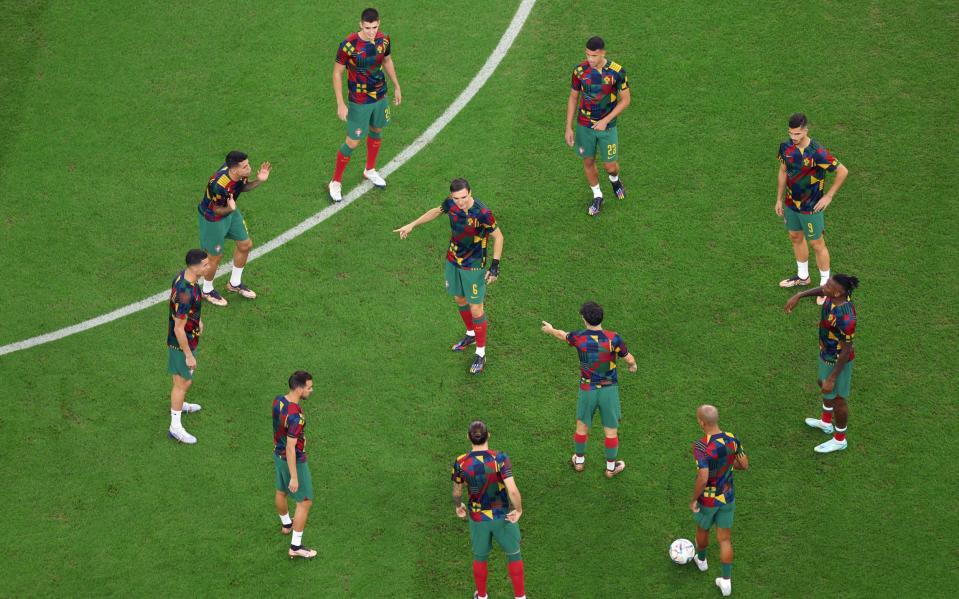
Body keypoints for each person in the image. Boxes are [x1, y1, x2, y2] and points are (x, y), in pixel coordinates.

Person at [394, 178, 504, 374]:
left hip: (474, 265)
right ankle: (470, 334)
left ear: (470, 192)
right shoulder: (451, 204)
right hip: (453, 259)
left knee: (476, 309)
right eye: (456, 198)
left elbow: (498, 237)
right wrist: (412, 224)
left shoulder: (483, 213)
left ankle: (481, 352)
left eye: (463, 197)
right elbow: (437, 211)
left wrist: (494, 266)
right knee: (459, 298)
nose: (460, 202)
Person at [541, 301, 637, 478]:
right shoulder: (613, 338)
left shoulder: (579, 337)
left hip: (588, 389)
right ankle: (610, 468)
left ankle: (579, 462)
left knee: (582, 426)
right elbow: (629, 358)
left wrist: (550, 329)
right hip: (609, 390)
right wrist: (632, 366)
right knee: (610, 430)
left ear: (584, 319)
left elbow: (562, 335)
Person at [328, 7, 402, 202]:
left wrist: (396, 86)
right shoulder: (348, 45)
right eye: (368, 27)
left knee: (377, 130)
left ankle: (369, 169)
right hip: (359, 100)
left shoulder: (384, 39)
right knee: (353, 141)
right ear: (361, 24)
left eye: (375, 27)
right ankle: (335, 181)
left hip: (380, 95)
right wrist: (340, 103)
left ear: (379, 24)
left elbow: (387, 60)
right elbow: (337, 73)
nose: (372, 31)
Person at [775, 113, 849, 305]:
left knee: (817, 244)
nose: (794, 137)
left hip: (811, 207)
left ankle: (827, 286)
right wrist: (779, 199)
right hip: (792, 205)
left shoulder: (817, 152)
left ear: (806, 130)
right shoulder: (786, 147)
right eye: (791, 133)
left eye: (798, 133)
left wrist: (829, 195)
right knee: (795, 237)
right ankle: (803, 276)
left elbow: (842, 171)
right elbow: (783, 171)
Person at [784, 273, 859, 453]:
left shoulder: (846, 318)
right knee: (822, 383)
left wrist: (833, 377)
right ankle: (826, 422)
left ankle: (840, 439)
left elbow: (847, 349)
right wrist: (799, 295)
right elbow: (823, 290)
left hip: (838, 359)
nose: (824, 287)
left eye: (828, 286)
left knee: (839, 400)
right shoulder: (836, 295)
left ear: (838, 293)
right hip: (826, 352)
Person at [451, 421, 526, 599]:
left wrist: (458, 505)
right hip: (503, 516)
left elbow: (457, 491)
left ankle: (482, 596)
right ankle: (520, 597)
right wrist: (519, 509)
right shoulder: (500, 458)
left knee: (480, 558)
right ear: (488, 435)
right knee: (514, 555)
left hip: (478, 519)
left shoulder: (461, 463)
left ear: (468, 437)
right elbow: (513, 490)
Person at [565, 36, 631, 216]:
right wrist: (568, 127)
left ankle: (615, 180)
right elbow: (573, 97)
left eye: (593, 56)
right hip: (584, 125)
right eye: (587, 55)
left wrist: (605, 121)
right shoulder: (579, 71)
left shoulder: (617, 72)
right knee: (588, 161)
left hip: (607, 127)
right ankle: (598, 195)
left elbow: (626, 100)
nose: (590, 59)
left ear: (603, 53)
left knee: (610, 166)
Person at [197, 150, 272, 306]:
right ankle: (207, 290)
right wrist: (231, 209)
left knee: (245, 244)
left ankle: (234, 284)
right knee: (214, 257)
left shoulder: (238, 173)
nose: (249, 168)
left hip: (230, 210)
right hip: (213, 218)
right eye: (245, 167)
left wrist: (259, 180)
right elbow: (217, 209)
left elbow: (242, 188)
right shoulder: (218, 185)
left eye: (248, 164)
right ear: (234, 169)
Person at [689, 405, 748, 598]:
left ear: (701, 422)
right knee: (724, 539)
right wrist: (728, 467)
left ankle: (702, 560)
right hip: (727, 495)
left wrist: (694, 499)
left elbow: (703, 478)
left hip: (708, 500)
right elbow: (744, 464)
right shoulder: (732, 438)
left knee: (702, 530)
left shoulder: (701, 446)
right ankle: (726, 582)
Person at [272, 370, 318, 559]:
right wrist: (294, 475)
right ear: (299, 389)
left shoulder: (278, 401)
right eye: (309, 387)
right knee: (305, 502)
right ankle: (296, 547)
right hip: (293, 459)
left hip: (277, 454)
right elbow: (292, 448)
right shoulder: (296, 417)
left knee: (281, 491)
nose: (311, 390)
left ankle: (286, 525)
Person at [167, 249, 208, 444]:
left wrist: (196, 320)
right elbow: (178, 328)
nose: (208, 267)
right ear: (196, 266)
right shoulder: (185, 292)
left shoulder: (184, 278)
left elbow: (177, 313)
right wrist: (188, 355)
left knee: (185, 381)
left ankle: (179, 404)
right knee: (182, 382)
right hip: (181, 343)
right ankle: (175, 427)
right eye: (206, 265)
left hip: (190, 335)